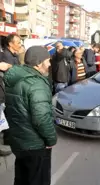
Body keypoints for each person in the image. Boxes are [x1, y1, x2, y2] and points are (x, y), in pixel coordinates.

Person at [4, 46, 57, 185]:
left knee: (22, 178)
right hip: (35, 145)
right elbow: (41, 118)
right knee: (38, 180)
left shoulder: (17, 77)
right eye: (48, 61)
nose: (50, 64)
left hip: (19, 141)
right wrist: (51, 140)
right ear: (39, 63)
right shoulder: (37, 84)